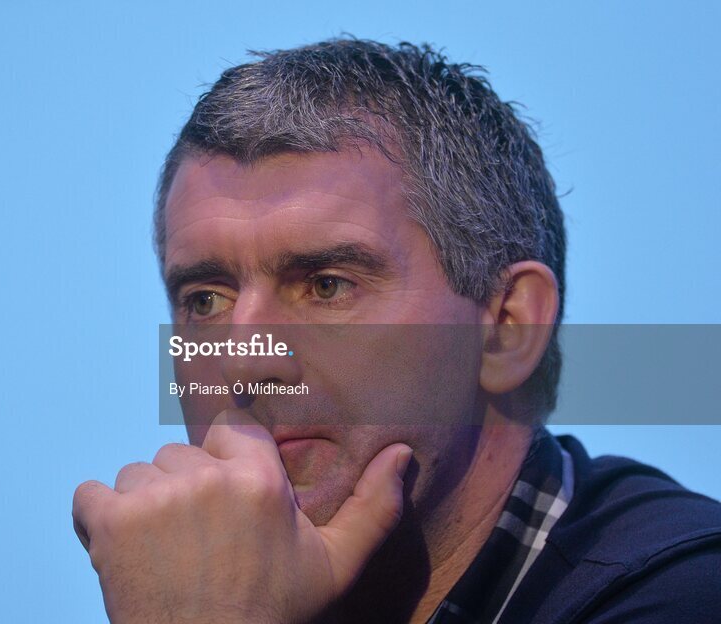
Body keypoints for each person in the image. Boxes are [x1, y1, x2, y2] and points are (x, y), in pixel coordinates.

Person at [72, 38, 721, 623]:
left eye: (326, 285)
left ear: (507, 327)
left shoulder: (686, 594)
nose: (243, 359)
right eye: (205, 300)